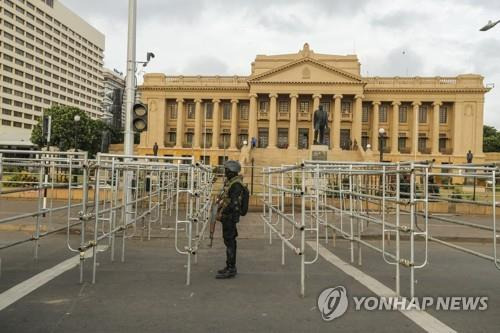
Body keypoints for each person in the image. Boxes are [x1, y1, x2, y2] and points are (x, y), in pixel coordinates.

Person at [215, 160, 245, 279]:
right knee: (228, 241)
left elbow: (234, 204)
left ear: (233, 172)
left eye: (227, 170)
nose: (225, 172)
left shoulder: (236, 185)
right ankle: (229, 266)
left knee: (230, 242)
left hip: (230, 217)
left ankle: (231, 268)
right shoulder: (231, 182)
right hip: (228, 216)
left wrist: (222, 214)